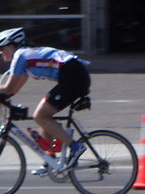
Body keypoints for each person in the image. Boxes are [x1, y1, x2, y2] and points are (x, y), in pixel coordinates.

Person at [0, 27, 90, 175]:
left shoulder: (20, 56)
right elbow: (12, 91)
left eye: (2, 48)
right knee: (42, 117)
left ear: (11, 45)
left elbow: (8, 88)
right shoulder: (26, 56)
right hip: (74, 74)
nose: (0, 52)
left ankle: (76, 147)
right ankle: (50, 161)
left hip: (73, 76)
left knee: (41, 116)